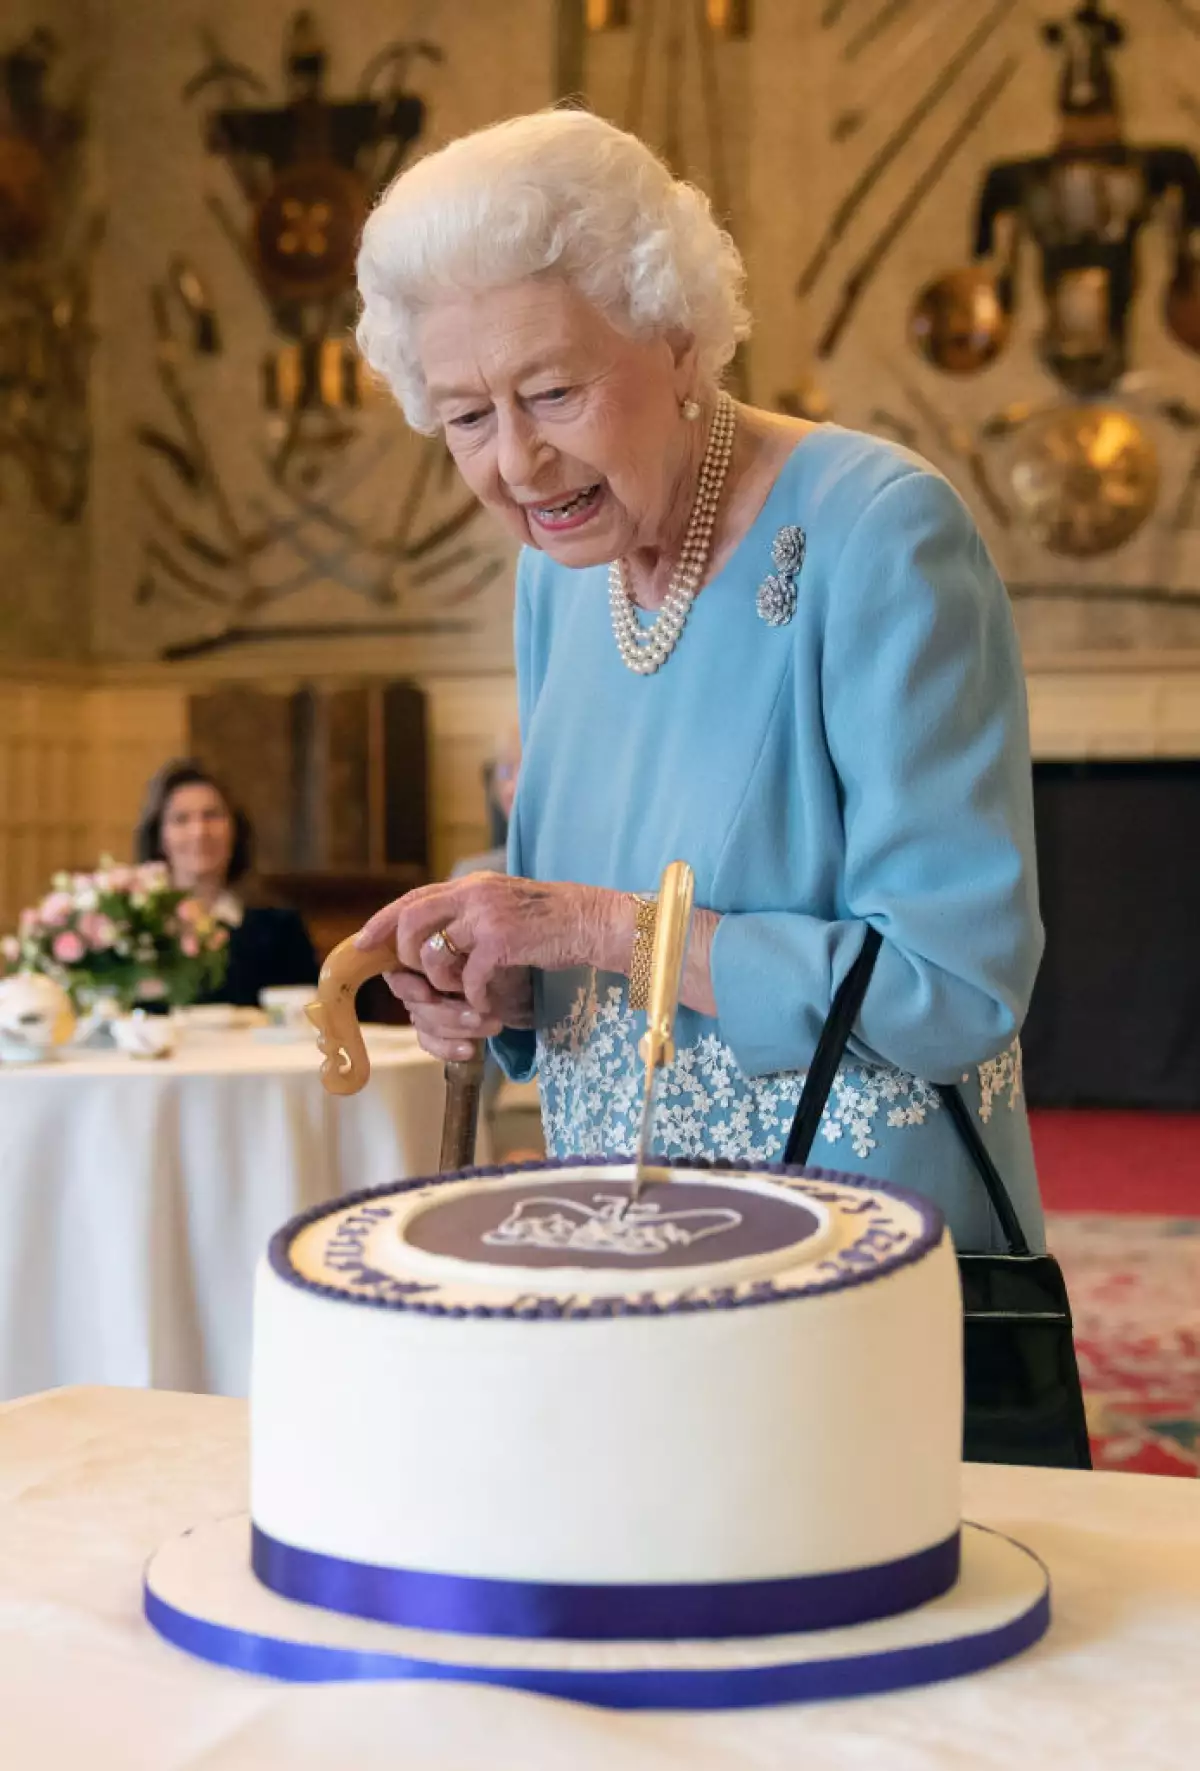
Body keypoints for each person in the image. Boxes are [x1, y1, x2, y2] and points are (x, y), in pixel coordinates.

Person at [352, 108, 1046, 1251]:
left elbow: (954, 991)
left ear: (676, 338)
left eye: (555, 392)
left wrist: (591, 927)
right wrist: (503, 976)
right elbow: (581, 934)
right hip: (617, 1234)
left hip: (847, 1246)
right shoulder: (557, 577)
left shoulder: (878, 533)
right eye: (469, 417)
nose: (517, 462)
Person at [134, 759, 318, 1009]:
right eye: (181, 819)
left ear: (235, 830)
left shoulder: (279, 927)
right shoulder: (137, 927)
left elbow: (310, 1013)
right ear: (159, 837)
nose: (199, 831)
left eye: (212, 816)